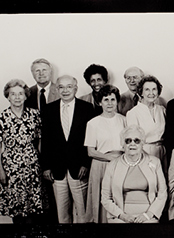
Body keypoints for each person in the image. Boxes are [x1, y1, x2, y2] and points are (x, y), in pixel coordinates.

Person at [41, 75, 95, 223]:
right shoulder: (48, 110)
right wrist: (46, 167)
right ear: (57, 89)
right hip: (57, 169)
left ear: (75, 89)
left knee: (83, 213)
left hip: (79, 168)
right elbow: (45, 141)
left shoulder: (87, 108)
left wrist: (85, 163)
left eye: (69, 86)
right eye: (61, 87)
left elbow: (90, 139)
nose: (65, 90)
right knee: (62, 214)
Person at [101, 125, 167, 223]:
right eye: (128, 140)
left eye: (137, 141)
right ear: (122, 144)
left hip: (148, 215)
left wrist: (148, 215)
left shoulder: (155, 162)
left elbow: (162, 193)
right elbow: (105, 198)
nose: (132, 144)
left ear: (142, 143)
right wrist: (122, 216)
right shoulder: (112, 165)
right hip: (120, 216)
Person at [0, 79, 44, 224]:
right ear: (7, 96)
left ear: (26, 96)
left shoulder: (34, 115)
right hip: (11, 168)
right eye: (13, 94)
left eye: (20, 94)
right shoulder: (2, 118)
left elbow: (40, 140)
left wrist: (41, 163)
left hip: (32, 166)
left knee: (34, 210)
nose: (17, 97)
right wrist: (1, 172)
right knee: (16, 210)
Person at [24, 58, 60, 223]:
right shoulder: (26, 94)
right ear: (32, 73)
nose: (40, 73)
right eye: (36, 71)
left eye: (44, 70)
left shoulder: (61, 90)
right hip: (32, 150)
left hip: (55, 148)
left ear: (50, 71)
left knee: (54, 193)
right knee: (36, 193)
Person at [84, 85, 127, 223]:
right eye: (106, 99)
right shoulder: (93, 123)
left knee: (119, 197)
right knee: (101, 198)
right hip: (101, 165)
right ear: (99, 102)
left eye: (113, 99)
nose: (109, 103)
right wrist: (109, 158)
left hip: (121, 164)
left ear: (117, 101)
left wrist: (120, 159)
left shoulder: (124, 120)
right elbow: (90, 151)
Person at [126, 75, 167, 176]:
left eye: (154, 89)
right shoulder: (133, 113)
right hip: (145, 153)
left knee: (162, 181)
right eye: (147, 90)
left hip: (162, 152)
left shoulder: (162, 110)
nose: (151, 93)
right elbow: (133, 140)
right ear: (141, 92)